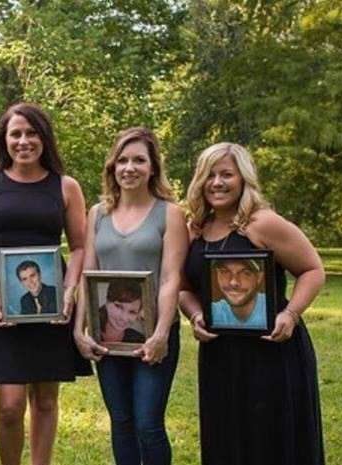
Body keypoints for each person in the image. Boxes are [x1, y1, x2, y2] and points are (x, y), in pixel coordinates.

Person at [179, 142, 325, 465]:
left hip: (272, 350)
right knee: (226, 440)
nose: (217, 183)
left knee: (274, 443)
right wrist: (195, 315)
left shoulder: (263, 223)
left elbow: (313, 270)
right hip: (219, 356)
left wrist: (290, 314)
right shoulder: (195, 230)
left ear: (243, 179)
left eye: (227, 175)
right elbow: (183, 288)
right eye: (210, 175)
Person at [0, 103, 90, 465]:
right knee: (9, 405)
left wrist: (67, 291)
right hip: (2, 305)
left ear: (44, 138)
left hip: (51, 307)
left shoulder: (66, 186)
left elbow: (79, 246)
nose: (23, 141)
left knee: (46, 400)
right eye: (15, 133)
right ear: (4, 140)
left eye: (31, 133)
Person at [73, 127, 187, 465]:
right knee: (121, 422)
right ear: (112, 167)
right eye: (122, 160)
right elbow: (86, 274)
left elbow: (171, 278)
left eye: (139, 160)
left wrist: (161, 334)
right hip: (107, 337)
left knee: (148, 424)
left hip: (153, 335)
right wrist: (79, 330)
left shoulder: (170, 214)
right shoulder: (97, 214)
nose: (129, 167)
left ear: (153, 167)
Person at [210, 259, 266, 329]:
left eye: (245, 273)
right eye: (224, 272)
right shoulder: (212, 312)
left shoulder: (273, 309)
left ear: (259, 277)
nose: (233, 282)